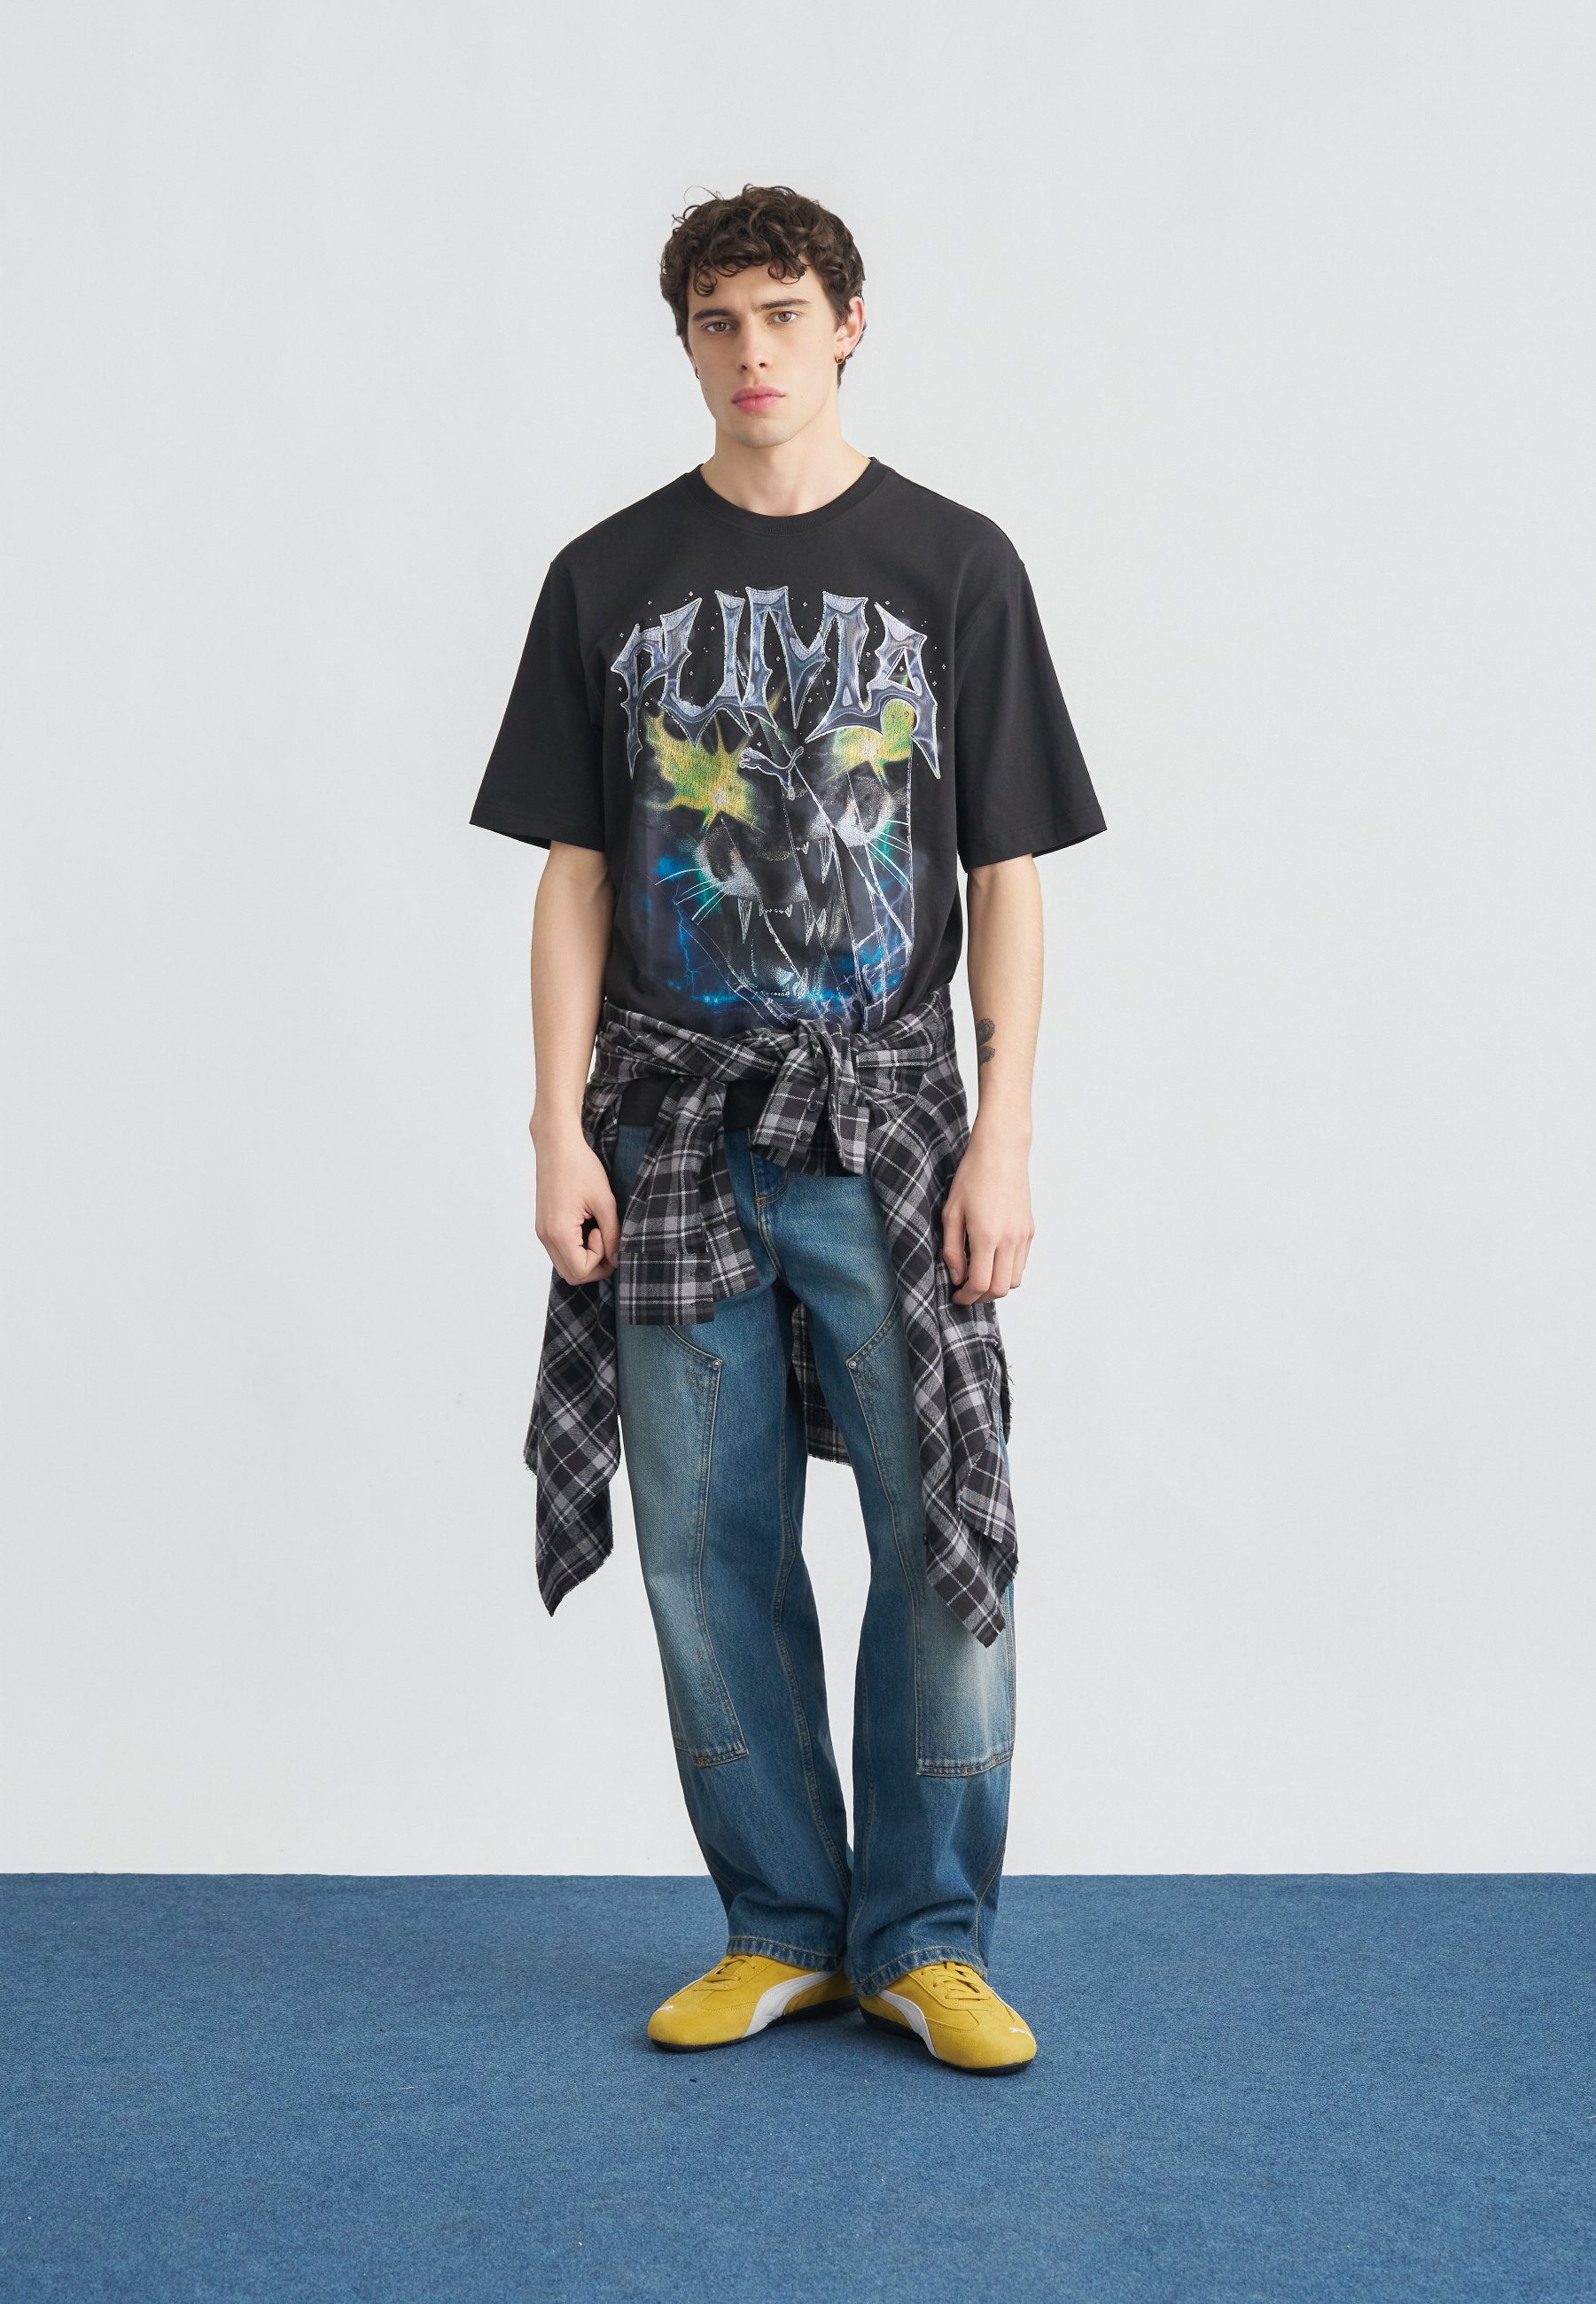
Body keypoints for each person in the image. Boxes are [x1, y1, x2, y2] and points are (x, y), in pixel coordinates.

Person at [470, 183, 1104, 2075]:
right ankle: (779, 1929)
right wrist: (552, 1126)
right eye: (717, 320)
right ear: (684, 341)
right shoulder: (604, 577)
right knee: (705, 1546)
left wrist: (1004, 1133)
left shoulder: (956, 565)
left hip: (891, 1120)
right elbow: (576, 876)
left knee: (942, 1527)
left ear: (849, 325)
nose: (752, 351)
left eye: (783, 314)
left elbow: (1008, 872)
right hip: (668, 1124)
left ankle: (927, 1939)